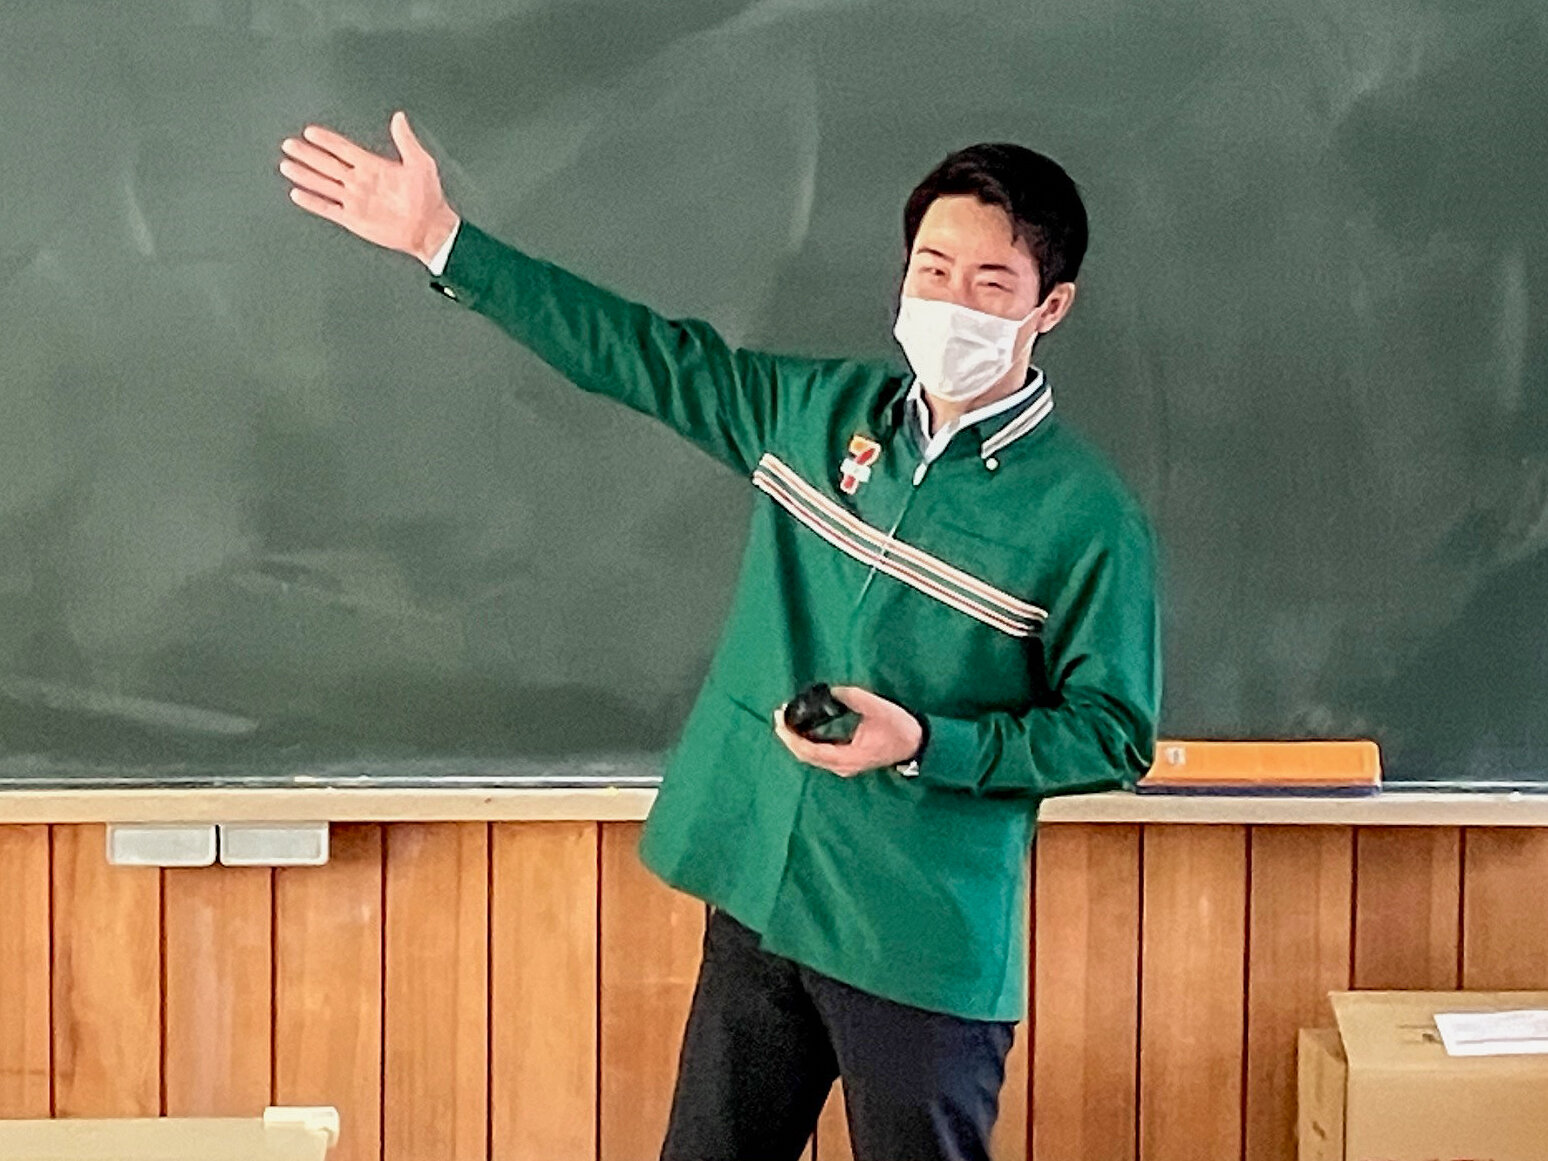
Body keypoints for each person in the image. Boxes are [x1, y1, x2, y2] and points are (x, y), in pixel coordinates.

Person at [279, 112, 1160, 1161]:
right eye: (932, 270)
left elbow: (1114, 734)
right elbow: (640, 356)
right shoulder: (815, 415)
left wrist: (927, 742)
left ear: (1050, 306)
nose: (950, 302)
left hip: (919, 936)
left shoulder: (1085, 517)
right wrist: (443, 241)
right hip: (763, 888)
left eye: (991, 283)